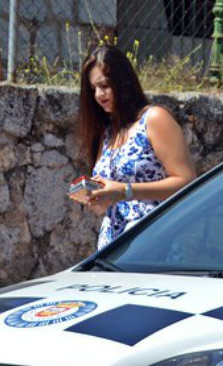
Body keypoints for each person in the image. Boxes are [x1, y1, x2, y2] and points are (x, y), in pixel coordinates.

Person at [71, 44, 195, 249]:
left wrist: (125, 191)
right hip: (113, 248)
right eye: (93, 89)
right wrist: (97, 199)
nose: (99, 95)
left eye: (104, 85)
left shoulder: (154, 119)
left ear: (123, 81)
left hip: (154, 245)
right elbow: (109, 204)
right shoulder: (107, 133)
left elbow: (187, 182)